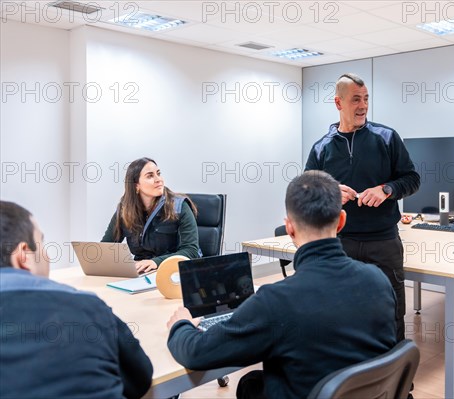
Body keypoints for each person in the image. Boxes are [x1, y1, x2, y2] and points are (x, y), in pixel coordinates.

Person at [167, 171, 397, 399]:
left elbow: (197, 353)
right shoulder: (378, 280)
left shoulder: (276, 301)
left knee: (251, 385)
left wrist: (181, 325)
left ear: (289, 228)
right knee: (253, 383)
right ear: (342, 221)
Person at [305, 73, 420, 341]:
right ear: (338, 103)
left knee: (391, 309)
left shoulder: (387, 137)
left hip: (383, 242)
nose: (363, 106)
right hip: (339, 243)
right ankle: (351, 372)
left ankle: (397, 376)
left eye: (366, 99)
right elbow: (306, 191)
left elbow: (412, 179)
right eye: (356, 99)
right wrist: (330, 191)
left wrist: (387, 190)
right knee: (341, 310)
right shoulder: (322, 148)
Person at [0, 201, 153, 398]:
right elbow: (140, 378)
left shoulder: (175, 208)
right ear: (24, 256)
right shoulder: (88, 308)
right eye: (42, 243)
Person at [102, 157, 200, 273]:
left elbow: (191, 251)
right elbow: (106, 248)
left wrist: (155, 262)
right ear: (136, 185)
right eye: (150, 176)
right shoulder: (125, 210)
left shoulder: (179, 206)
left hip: (175, 272)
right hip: (142, 273)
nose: (158, 180)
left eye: (158, 174)